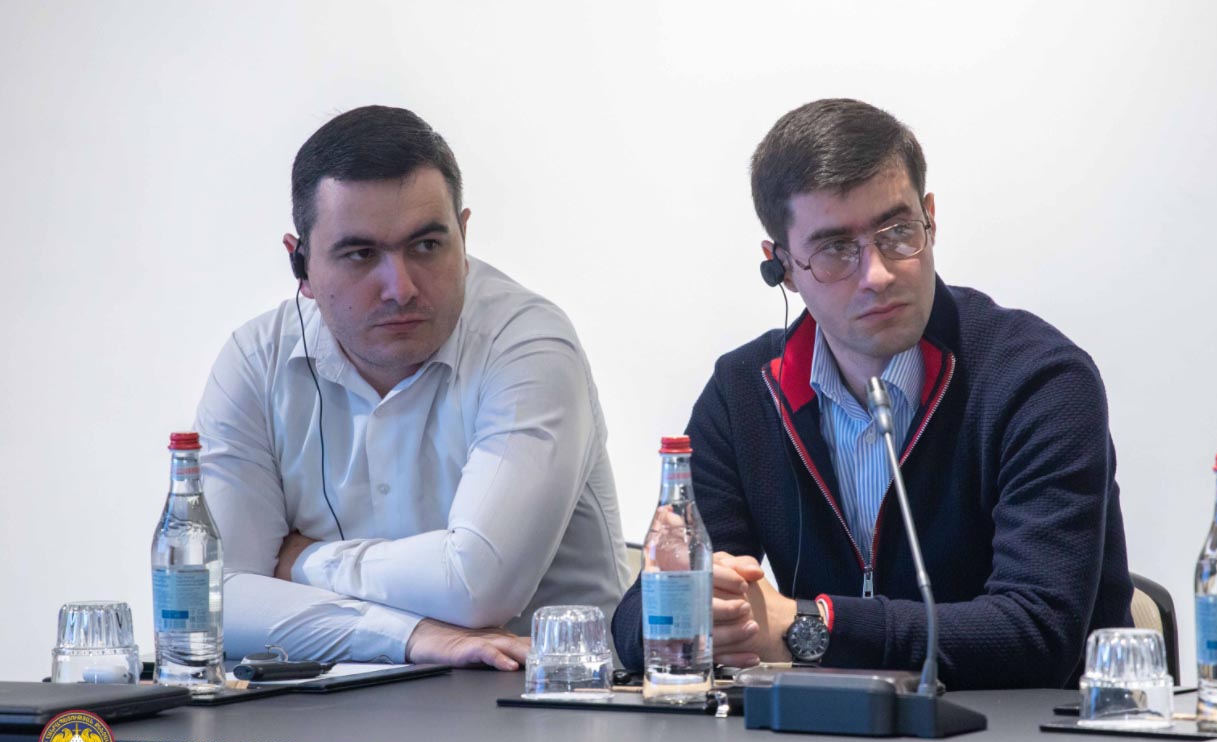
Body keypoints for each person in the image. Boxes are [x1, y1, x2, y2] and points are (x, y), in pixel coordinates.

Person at [612, 99, 1133, 689]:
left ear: (930, 218)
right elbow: (636, 619)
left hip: (1019, 736)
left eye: (897, 232)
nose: (878, 275)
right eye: (835, 249)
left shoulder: (1039, 381)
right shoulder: (743, 395)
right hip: (823, 737)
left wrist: (809, 627)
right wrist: (703, 611)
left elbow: (1039, 633)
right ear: (782, 267)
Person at [195, 105, 632, 673]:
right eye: (360, 254)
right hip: (332, 707)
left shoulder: (528, 343)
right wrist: (413, 635)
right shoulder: (256, 361)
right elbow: (211, 602)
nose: (399, 288)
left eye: (426, 246)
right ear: (300, 265)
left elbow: (477, 587)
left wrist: (304, 562)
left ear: (464, 237)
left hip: (543, 699)